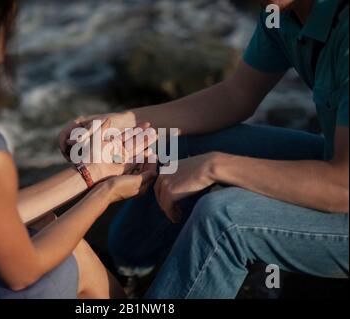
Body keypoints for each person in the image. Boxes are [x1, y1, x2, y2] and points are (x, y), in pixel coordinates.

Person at [59, 0, 349, 298]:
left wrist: (214, 165)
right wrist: (119, 123)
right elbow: (235, 96)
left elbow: (342, 187)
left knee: (224, 220)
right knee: (178, 143)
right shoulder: (282, 14)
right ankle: (122, 278)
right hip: (335, 164)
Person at [0, 0, 157, 299]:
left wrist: (93, 173)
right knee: (75, 258)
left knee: (44, 224)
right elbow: (23, 273)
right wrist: (107, 191)